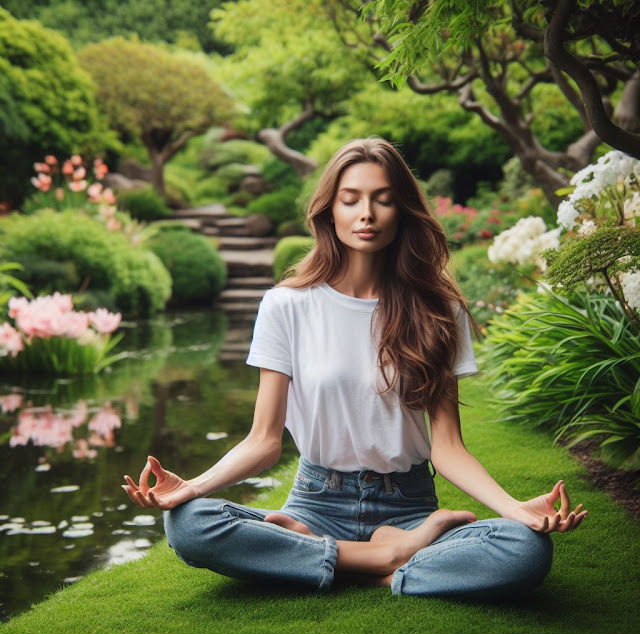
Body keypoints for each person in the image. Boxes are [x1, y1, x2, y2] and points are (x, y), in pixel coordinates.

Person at [123, 137, 587, 597]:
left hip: (407, 507)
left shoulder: (439, 309)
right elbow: (265, 442)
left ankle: (327, 557)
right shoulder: (286, 306)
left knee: (525, 548)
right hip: (314, 502)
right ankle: (386, 562)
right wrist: (192, 487)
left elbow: (447, 448)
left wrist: (513, 509)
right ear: (330, 210)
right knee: (188, 523)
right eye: (351, 200)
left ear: (403, 211)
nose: (366, 213)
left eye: (383, 201)